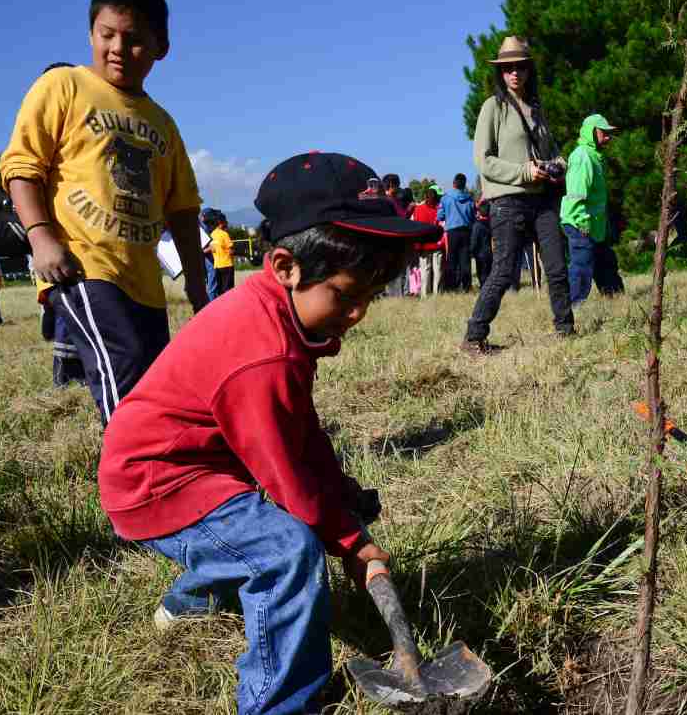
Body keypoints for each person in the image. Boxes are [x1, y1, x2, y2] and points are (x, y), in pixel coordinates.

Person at [98, 152, 440, 715]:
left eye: (369, 299)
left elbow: (301, 431)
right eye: (348, 296)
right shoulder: (261, 351)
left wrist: (340, 497)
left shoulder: (277, 317)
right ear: (285, 267)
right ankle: (281, 704)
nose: (357, 315)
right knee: (286, 549)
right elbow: (287, 481)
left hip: (200, 467)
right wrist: (350, 543)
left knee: (276, 525)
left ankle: (190, 601)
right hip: (157, 484)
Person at [0, 0, 206, 424]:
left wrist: (196, 284)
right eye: (106, 34)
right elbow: (21, 168)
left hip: (145, 282)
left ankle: (161, 463)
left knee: (157, 380)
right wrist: (41, 238)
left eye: (133, 40)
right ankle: (136, 475)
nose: (117, 48)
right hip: (80, 263)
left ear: (160, 46)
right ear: (90, 33)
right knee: (124, 370)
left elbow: (184, 210)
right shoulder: (64, 86)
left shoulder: (162, 123)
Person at [463, 36, 574, 355]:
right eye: (508, 68)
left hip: (543, 199)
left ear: (529, 70)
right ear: (500, 73)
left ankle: (566, 330)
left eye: (521, 67)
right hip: (508, 201)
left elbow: (552, 151)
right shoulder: (492, 107)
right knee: (504, 270)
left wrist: (559, 165)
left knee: (556, 267)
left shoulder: (536, 110)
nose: (515, 73)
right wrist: (524, 172)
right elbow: (484, 161)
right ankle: (474, 337)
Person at [561, 114, 625, 304]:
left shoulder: (595, 157)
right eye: (603, 132)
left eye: (608, 133)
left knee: (606, 263)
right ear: (591, 132)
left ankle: (616, 301)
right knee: (581, 267)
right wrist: (582, 222)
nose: (608, 137)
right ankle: (574, 308)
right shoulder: (583, 157)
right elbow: (576, 194)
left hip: (595, 225)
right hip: (581, 223)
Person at [438, 173, 476, 292]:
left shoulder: (445, 198)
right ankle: (466, 286)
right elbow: (472, 216)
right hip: (466, 231)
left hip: (452, 232)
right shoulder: (469, 198)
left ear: (454, 183)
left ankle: (450, 287)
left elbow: (440, 216)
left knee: (452, 260)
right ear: (464, 185)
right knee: (465, 260)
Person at [412, 185, 445, 296]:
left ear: (425, 197)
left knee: (425, 271)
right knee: (438, 270)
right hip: (437, 245)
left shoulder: (418, 209)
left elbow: (416, 229)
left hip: (423, 245)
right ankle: (437, 294)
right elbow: (443, 226)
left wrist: (417, 246)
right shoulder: (439, 210)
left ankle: (424, 294)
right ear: (436, 198)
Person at [206, 215, 235, 298]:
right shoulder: (225, 234)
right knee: (229, 290)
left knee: (220, 291)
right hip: (227, 265)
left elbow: (212, 249)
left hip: (217, 266)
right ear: (221, 223)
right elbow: (231, 250)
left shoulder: (212, 234)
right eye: (225, 221)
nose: (227, 223)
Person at [471, 196, 493, 287]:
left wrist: (471, 250)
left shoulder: (477, 225)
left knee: (481, 271)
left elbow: (474, 240)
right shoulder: (491, 224)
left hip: (480, 253)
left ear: (479, 212)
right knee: (489, 270)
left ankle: (483, 286)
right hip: (490, 252)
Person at [200, 209, 220, 299]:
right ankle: (211, 303)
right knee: (212, 285)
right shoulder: (206, 229)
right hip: (207, 259)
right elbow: (212, 247)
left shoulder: (201, 227)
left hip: (204, 258)